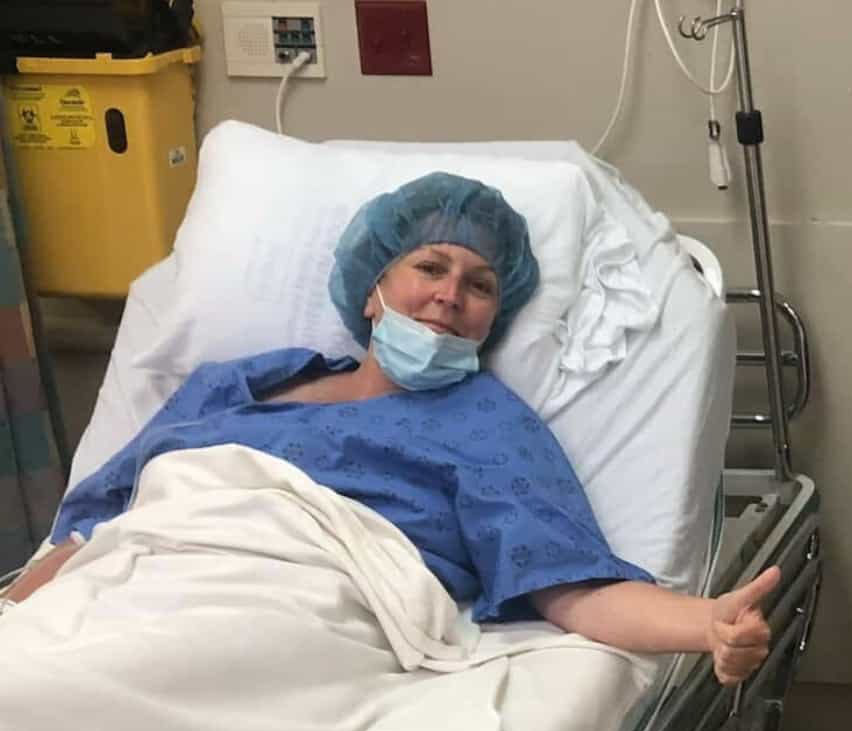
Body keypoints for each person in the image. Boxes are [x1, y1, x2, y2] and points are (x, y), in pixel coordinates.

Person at [1, 172, 774, 686]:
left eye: (478, 285)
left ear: (493, 317)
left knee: (102, 689)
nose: (449, 295)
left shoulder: (488, 427)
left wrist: (705, 624)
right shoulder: (242, 382)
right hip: (144, 570)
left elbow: (569, 588)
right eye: (430, 268)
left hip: (295, 600)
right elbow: (105, 520)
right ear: (373, 291)